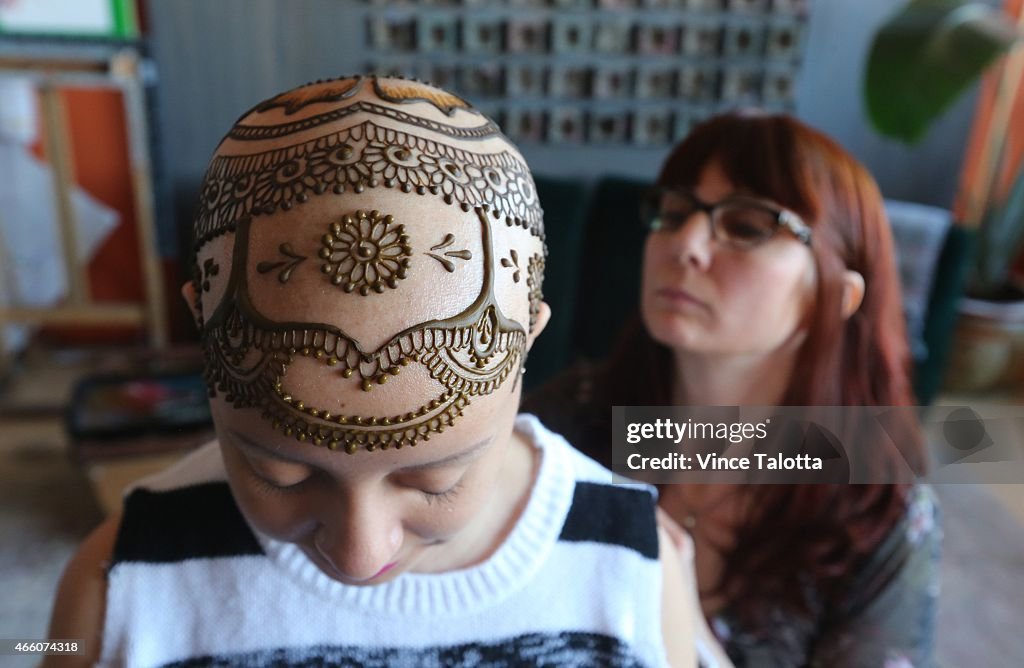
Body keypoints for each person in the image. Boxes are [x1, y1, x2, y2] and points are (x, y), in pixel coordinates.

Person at [44, 76, 711, 667]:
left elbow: (807, 447)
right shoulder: (119, 586)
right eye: (281, 474)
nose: (359, 557)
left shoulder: (636, 563)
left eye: (437, 482)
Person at [524, 111, 942, 667]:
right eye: (673, 214)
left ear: (837, 296)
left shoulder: (877, 509)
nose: (686, 245)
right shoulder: (570, 419)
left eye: (746, 226)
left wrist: (683, 627)